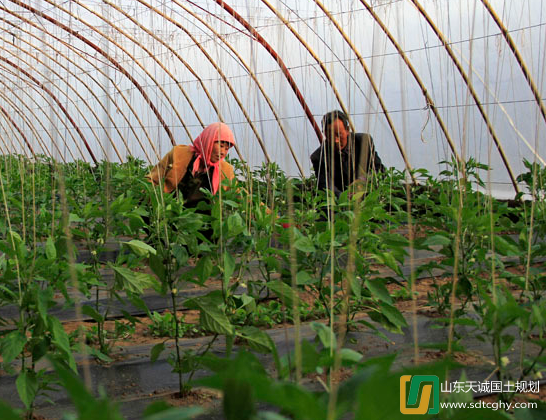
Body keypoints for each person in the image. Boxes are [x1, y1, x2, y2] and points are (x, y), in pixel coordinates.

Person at [147, 122, 236, 207]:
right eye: (221, 146)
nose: (223, 153)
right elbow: (152, 180)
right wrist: (153, 202)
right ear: (208, 141)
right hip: (169, 212)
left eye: (226, 149)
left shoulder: (225, 171)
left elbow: (238, 194)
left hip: (201, 220)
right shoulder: (178, 154)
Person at [310, 110, 384, 198]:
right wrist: (345, 197)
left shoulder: (364, 142)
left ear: (347, 130)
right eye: (330, 136)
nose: (336, 140)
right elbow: (325, 185)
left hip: (368, 198)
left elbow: (379, 169)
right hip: (340, 204)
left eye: (339, 135)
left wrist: (363, 180)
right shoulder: (319, 156)